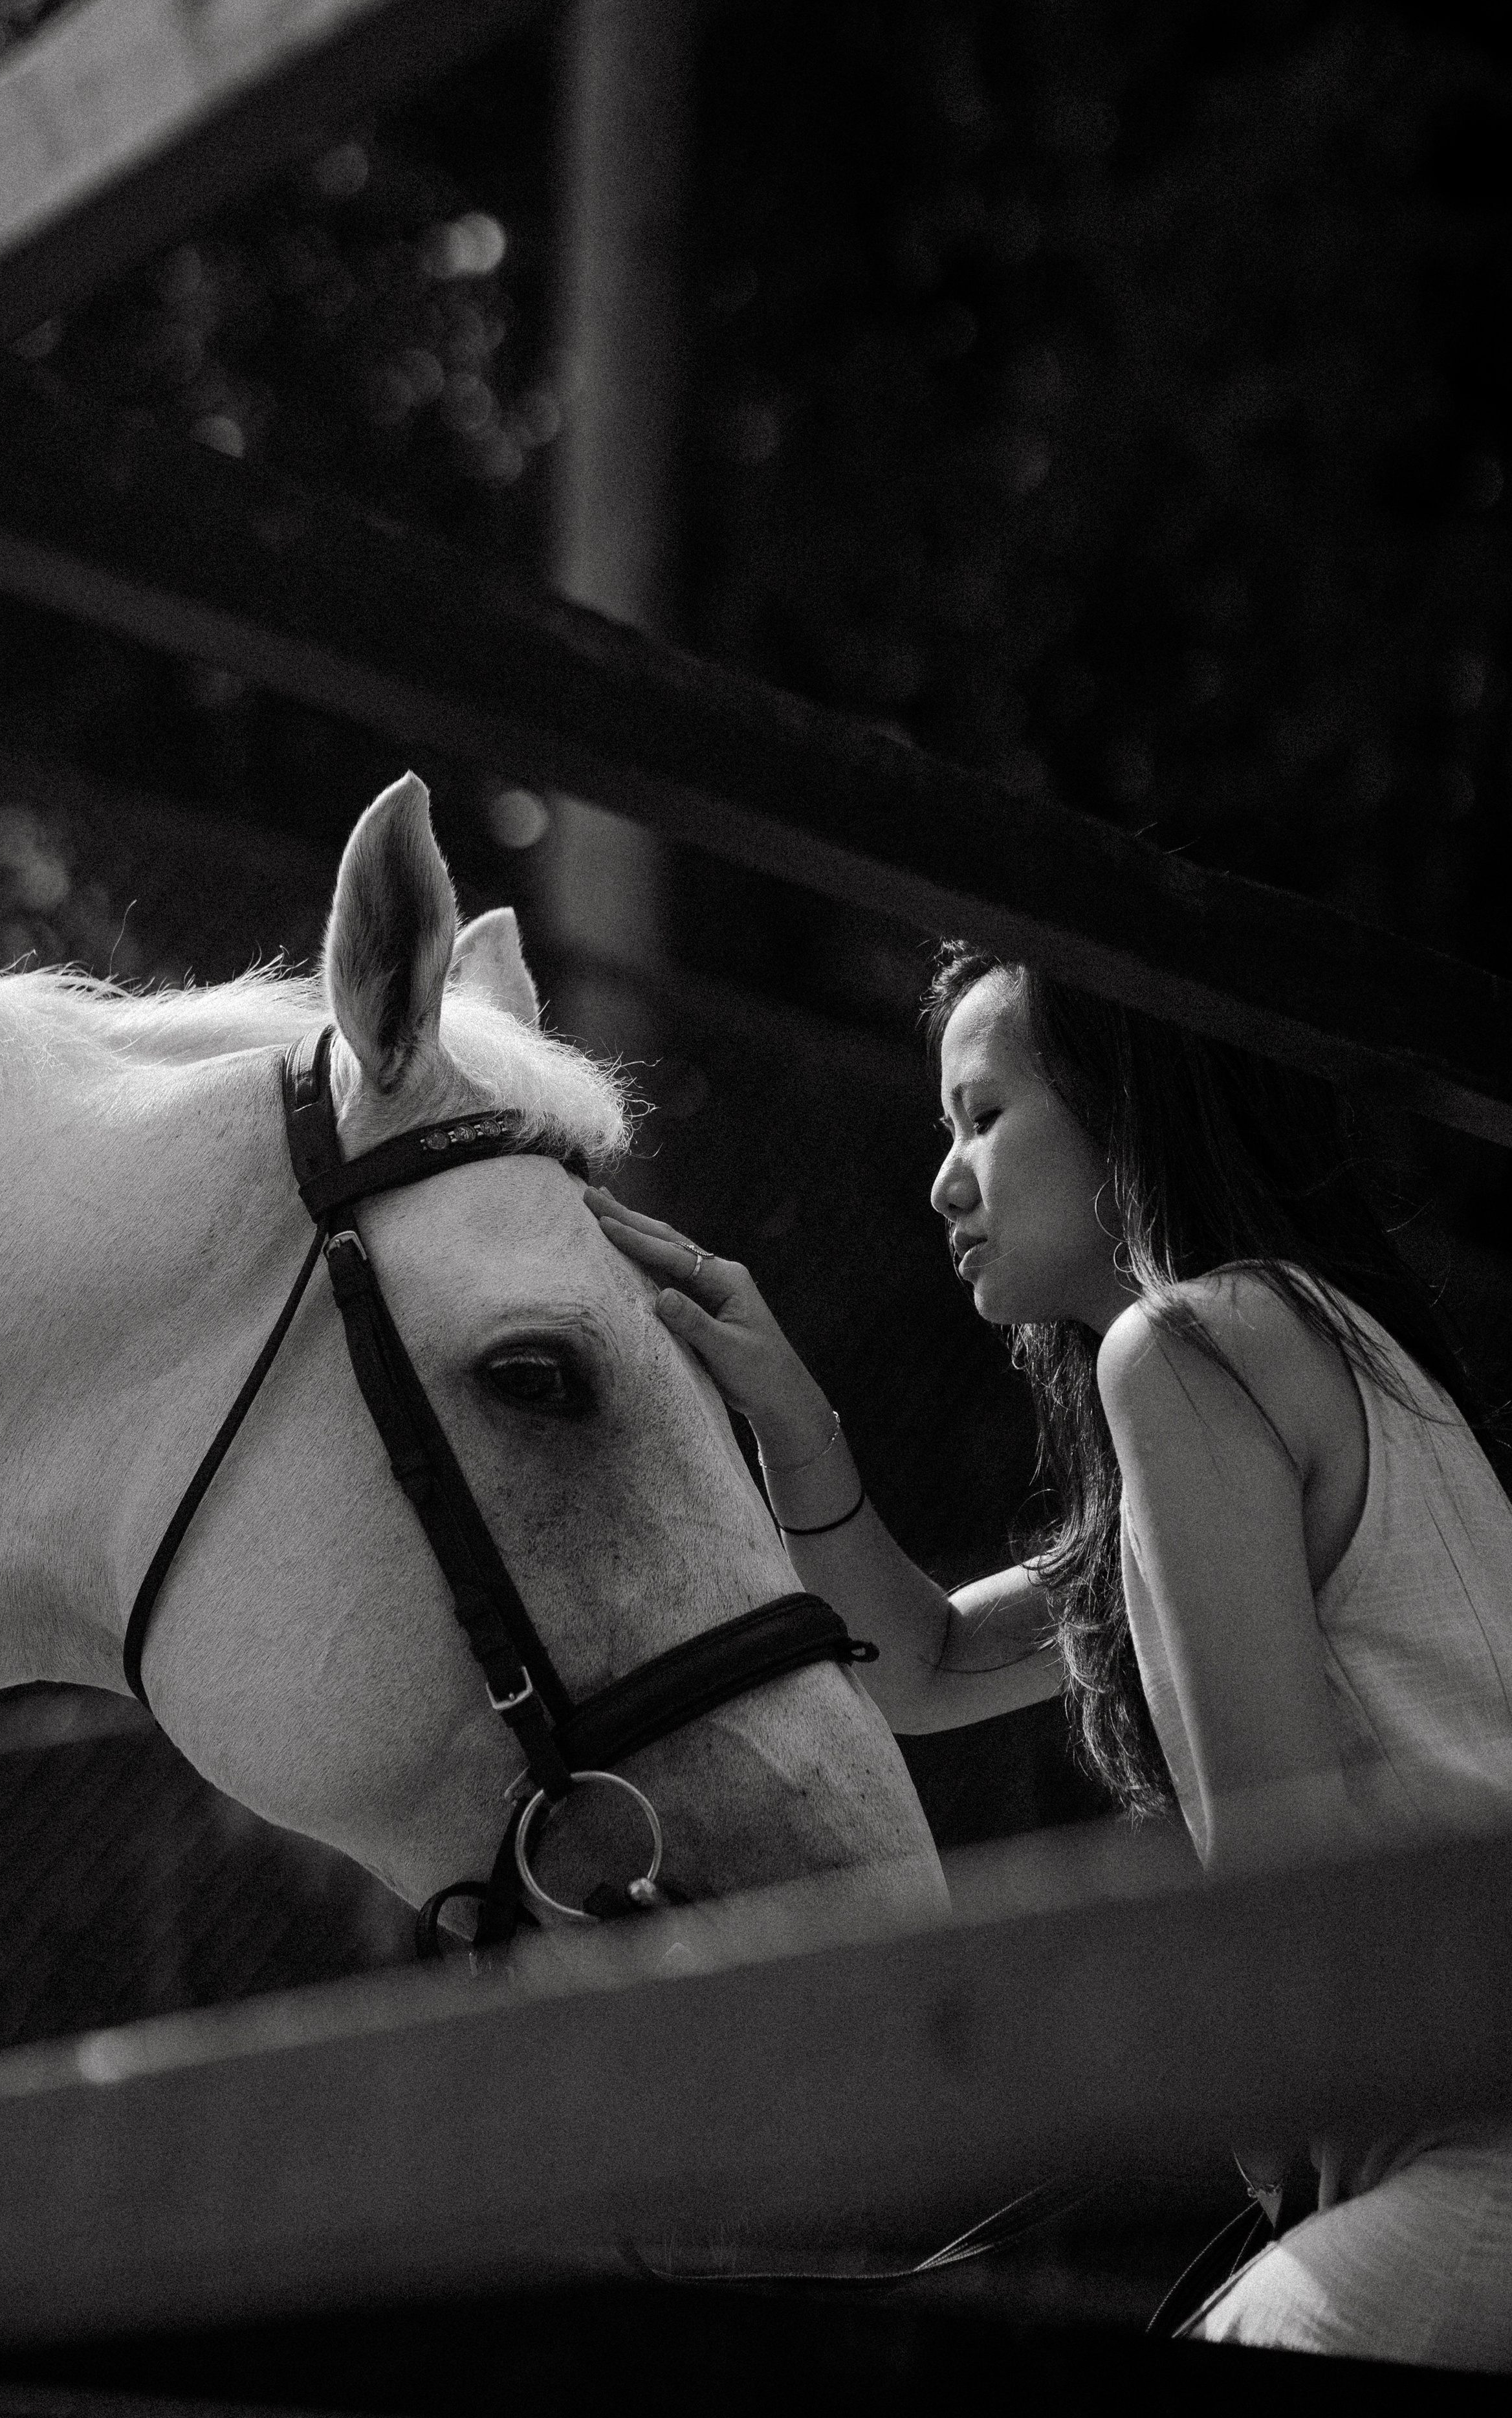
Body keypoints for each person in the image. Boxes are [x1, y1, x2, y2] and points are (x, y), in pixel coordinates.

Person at [586, 940, 1512, 2370]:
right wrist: (789, 1412)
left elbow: (1289, 1877)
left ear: (1118, 1111)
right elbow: (922, 1665)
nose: (942, 1178)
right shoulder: (1309, 1342)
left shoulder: (1189, 1349)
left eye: (980, 1116)